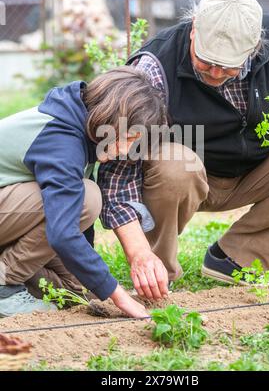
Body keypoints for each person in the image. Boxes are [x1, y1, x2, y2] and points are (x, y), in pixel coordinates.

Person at [96, 0, 269, 295]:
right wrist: (138, 254)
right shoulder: (153, 68)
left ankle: (236, 261)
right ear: (194, 31)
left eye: (229, 65)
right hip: (183, 177)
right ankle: (157, 271)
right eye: (207, 60)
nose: (217, 72)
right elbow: (117, 172)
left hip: (257, 170)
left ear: (255, 46)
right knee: (179, 165)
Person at [0, 66, 167, 318]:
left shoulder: (82, 125)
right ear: (113, 117)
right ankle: (4, 282)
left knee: (76, 290)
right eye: (130, 138)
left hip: (10, 215)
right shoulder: (61, 139)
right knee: (87, 198)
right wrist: (119, 296)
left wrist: (98, 282)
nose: (127, 150)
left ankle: (10, 268)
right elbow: (63, 233)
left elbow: (73, 229)